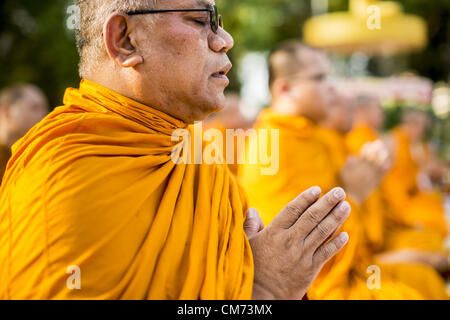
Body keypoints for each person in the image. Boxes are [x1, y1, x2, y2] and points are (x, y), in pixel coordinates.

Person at [0, 0, 350, 299]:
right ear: (125, 40)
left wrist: (258, 284)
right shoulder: (65, 174)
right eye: (200, 21)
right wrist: (262, 289)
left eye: (219, 23)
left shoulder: (200, 164)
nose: (225, 40)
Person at [238, 40, 449, 299]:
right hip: (315, 285)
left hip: (352, 264)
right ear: (285, 88)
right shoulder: (274, 145)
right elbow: (298, 251)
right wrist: (354, 195)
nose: (332, 88)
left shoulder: (312, 137)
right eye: (320, 77)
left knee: (423, 274)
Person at [379, 109, 449, 271]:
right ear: (412, 124)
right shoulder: (392, 141)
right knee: (434, 219)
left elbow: (422, 172)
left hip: (411, 195)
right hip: (396, 201)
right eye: (422, 127)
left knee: (436, 206)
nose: (422, 131)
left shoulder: (414, 143)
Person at [0, 84, 48, 182]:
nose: (45, 114)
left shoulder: (36, 157)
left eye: (45, 108)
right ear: (6, 111)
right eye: (35, 107)